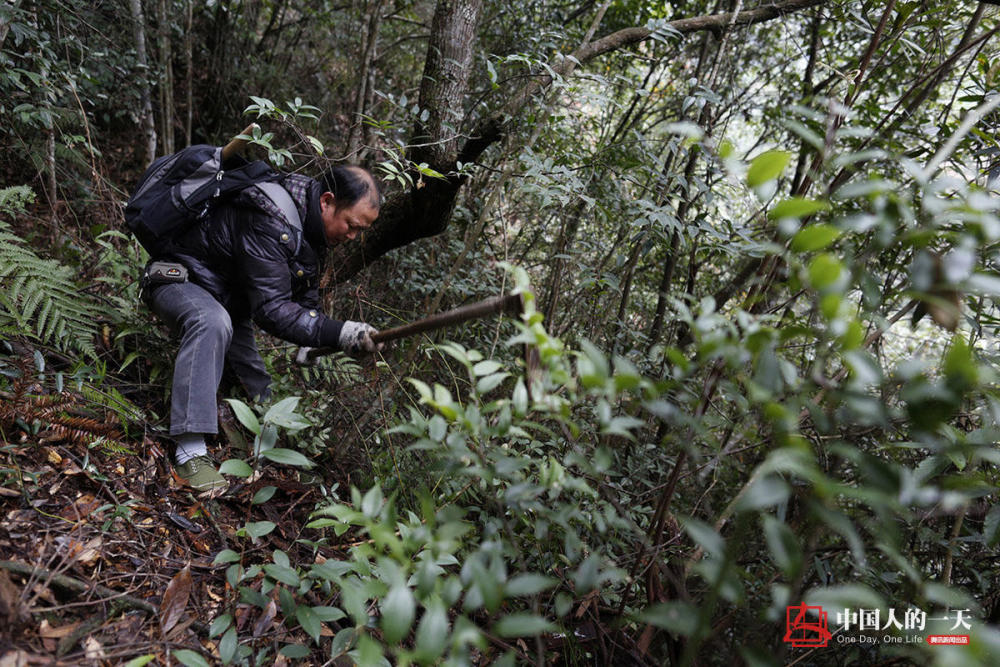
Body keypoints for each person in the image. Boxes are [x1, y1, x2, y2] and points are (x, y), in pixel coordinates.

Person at [144, 165, 382, 492]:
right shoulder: (271, 215)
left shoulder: (310, 228)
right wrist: (337, 331)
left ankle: (265, 455)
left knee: (256, 381)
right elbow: (271, 310)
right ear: (327, 201)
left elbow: (303, 295)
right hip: (179, 279)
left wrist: (312, 339)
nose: (353, 236)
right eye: (352, 225)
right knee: (211, 322)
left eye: (361, 230)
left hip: (224, 296)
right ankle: (190, 452)